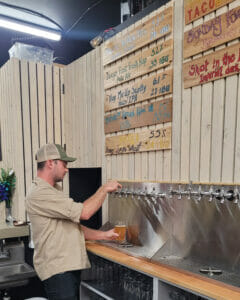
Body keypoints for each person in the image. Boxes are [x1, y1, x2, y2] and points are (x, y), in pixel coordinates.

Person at [26, 143, 122, 300]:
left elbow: (71, 227)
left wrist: (104, 235)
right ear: (51, 162)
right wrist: (104, 189)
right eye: (64, 164)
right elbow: (85, 213)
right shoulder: (40, 192)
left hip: (64, 269)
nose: (66, 169)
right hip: (58, 271)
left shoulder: (52, 190)